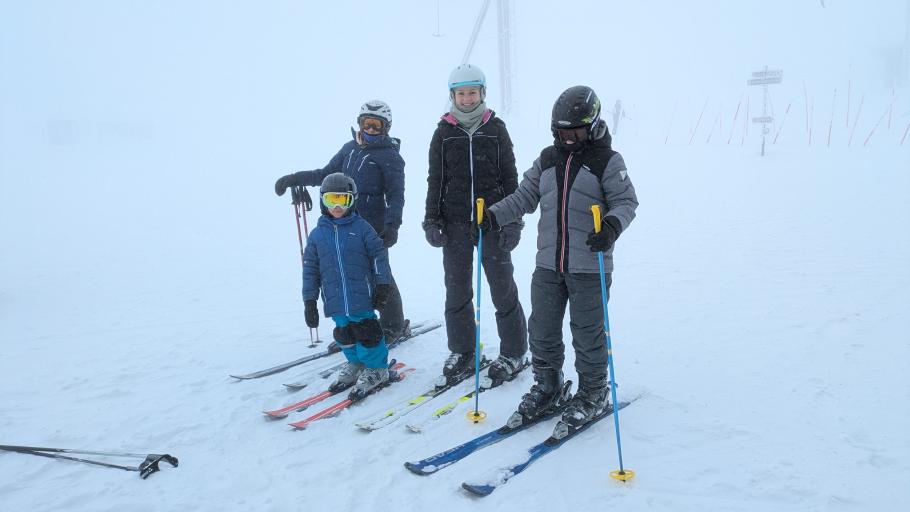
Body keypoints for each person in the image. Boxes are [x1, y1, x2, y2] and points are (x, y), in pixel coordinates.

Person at [485, 85, 639, 429]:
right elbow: (525, 196)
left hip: (589, 263)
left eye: (576, 131)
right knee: (542, 330)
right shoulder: (548, 159)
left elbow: (626, 202)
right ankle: (547, 386)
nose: (569, 139)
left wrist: (611, 227)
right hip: (548, 264)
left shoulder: (607, 161)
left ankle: (593, 392)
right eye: (562, 132)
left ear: (594, 124)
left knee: (587, 332)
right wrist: (494, 215)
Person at [422, 64, 528, 384]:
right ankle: (464, 350)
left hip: (493, 223)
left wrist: (513, 221)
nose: (467, 99)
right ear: (452, 96)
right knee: (456, 290)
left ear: (482, 93)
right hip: (454, 225)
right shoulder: (443, 133)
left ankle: (514, 351)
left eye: (472, 92)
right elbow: (435, 180)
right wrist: (431, 220)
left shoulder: (496, 129)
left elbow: (510, 177)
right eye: (461, 93)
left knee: (502, 288)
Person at [274, 100, 409, 340]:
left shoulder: (390, 157)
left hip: (373, 225)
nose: (370, 130)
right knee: (350, 273)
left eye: (376, 125)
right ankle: (356, 326)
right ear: (359, 123)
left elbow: (396, 196)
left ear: (386, 127)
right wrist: (295, 179)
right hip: (343, 222)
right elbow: (326, 175)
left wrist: (392, 225)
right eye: (366, 123)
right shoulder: (349, 149)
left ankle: (393, 326)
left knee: (380, 273)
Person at [302, 173, 393, 398]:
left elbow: (379, 257)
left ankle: (377, 368)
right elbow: (310, 269)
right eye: (331, 200)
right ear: (323, 201)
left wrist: (382, 284)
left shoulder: (362, 228)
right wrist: (309, 300)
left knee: (366, 332)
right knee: (344, 333)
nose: (336, 206)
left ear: (352, 200)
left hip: (360, 295)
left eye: (342, 200)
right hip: (334, 298)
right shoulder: (316, 235)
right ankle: (356, 364)